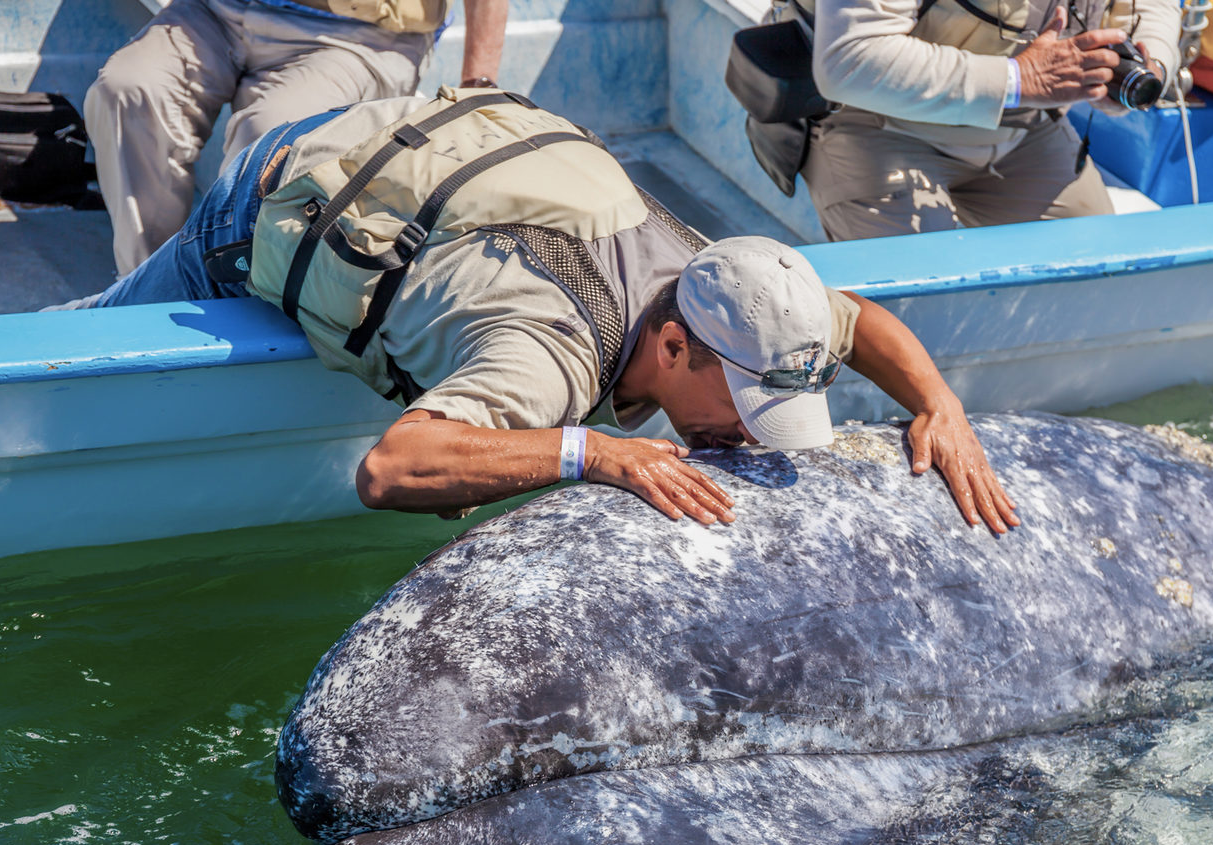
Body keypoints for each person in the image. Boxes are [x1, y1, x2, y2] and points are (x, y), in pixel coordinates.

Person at [82, 89, 1020, 533]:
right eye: (740, 406)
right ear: (669, 342)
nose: (746, 435)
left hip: (414, 148)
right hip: (264, 204)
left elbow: (852, 317)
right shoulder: (552, 354)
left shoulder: (734, 280)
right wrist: (593, 451)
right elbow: (393, 467)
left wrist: (938, 405)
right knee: (84, 331)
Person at [85, 0, 509, 276]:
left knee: (272, 137)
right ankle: (148, 282)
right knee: (129, 89)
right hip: (217, 12)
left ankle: (234, 298)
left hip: (357, 33)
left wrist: (479, 82)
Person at [796, 0, 1180, 240]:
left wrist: (1152, 63)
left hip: (1027, 127)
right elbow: (849, 59)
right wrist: (1020, 79)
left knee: (1095, 271)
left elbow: (1154, 8)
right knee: (919, 302)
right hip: (877, 123)